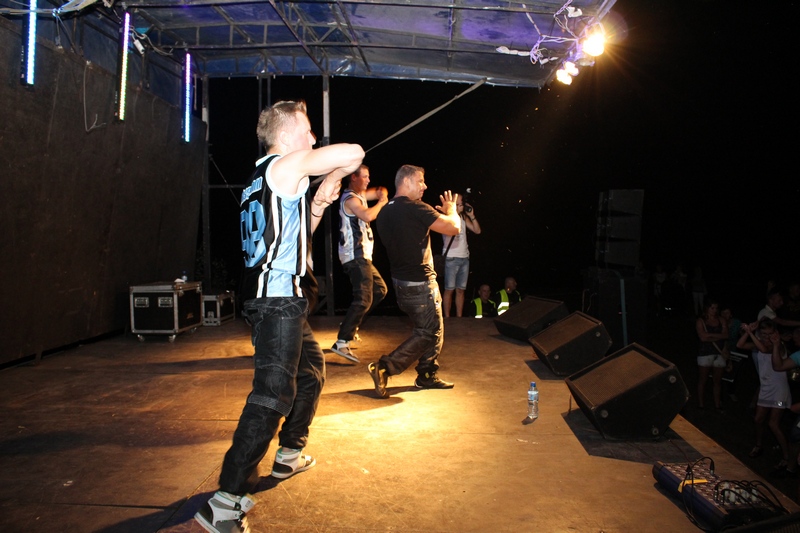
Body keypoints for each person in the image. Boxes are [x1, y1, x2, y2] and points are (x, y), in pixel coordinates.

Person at [194, 100, 364, 533]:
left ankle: (288, 454)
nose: (313, 139)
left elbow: (293, 239)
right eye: (307, 131)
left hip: (276, 299)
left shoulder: (262, 179)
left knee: (311, 372)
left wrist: (320, 202)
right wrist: (332, 171)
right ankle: (225, 501)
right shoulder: (284, 166)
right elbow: (354, 153)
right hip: (278, 302)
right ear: (286, 137)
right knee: (272, 395)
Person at [369, 164, 461, 399]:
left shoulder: (385, 212)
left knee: (433, 328)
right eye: (420, 181)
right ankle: (386, 367)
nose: (425, 186)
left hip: (400, 284)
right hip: (421, 284)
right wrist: (452, 210)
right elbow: (453, 228)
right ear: (406, 181)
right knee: (428, 332)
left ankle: (427, 374)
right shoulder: (416, 208)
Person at [331, 164, 389, 363]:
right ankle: (342, 342)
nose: (368, 180)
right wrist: (382, 203)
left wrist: (382, 194)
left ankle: (350, 324)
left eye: (368, 176)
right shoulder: (350, 199)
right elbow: (368, 215)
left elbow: (380, 190)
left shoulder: (361, 194)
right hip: (354, 256)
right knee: (363, 299)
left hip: (363, 256)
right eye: (364, 176)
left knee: (379, 290)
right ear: (353, 178)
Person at [738, 318, 791, 470]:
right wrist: (748, 332)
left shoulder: (778, 345)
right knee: (758, 419)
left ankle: (787, 457)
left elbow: (764, 350)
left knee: (773, 424)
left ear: (775, 333)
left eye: (770, 333)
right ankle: (759, 445)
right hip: (766, 388)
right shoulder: (759, 343)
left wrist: (750, 333)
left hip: (779, 390)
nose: (767, 337)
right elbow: (740, 345)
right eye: (764, 334)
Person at [441, 195, 481, 317]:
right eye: (457, 204)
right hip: (451, 258)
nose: (460, 206)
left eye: (461, 204)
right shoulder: (446, 217)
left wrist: (472, 216)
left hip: (464, 258)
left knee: (461, 290)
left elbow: (477, 231)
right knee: (449, 289)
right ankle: (447, 318)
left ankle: (459, 318)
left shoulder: (463, 217)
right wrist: (451, 212)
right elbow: (453, 229)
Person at [695, 300, 729, 410]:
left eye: (716, 308)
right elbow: (703, 338)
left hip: (719, 353)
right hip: (705, 353)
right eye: (712, 308)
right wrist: (718, 336)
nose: (714, 310)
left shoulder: (721, 320)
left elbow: (726, 335)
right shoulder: (701, 321)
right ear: (707, 308)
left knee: (717, 381)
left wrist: (709, 335)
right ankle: (701, 404)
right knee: (703, 379)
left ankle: (717, 404)